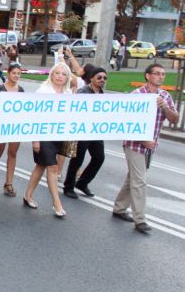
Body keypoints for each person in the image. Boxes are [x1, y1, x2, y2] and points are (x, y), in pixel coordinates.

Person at [113, 64, 179, 234]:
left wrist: (164, 106)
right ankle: (140, 220)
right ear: (148, 76)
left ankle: (119, 208)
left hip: (151, 146)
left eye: (163, 74)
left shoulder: (165, 96)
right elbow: (127, 122)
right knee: (140, 181)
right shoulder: (136, 95)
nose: (161, 77)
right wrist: (142, 139)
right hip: (134, 144)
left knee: (133, 177)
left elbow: (174, 120)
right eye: (157, 73)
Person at [22, 62, 72, 218]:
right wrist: (35, 139)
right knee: (53, 168)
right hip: (44, 136)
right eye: (57, 73)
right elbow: (34, 116)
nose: (60, 76)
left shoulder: (68, 93)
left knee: (41, 166)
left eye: (64, 74)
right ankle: (57, 204)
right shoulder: (43, 91)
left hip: (60, 135)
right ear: (51, 74)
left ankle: (27, 195)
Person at [63, 66, 108, 200]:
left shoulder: (101, 93)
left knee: (99, 157)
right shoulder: (84, 92)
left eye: (105, 78)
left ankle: (82, 183)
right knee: (77, 159)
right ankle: (68, 187)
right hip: (82, 131)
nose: (102, 80)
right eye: (99, 77)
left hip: (95, 131)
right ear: (91, 78)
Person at [0, 62, 24, 196]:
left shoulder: (21, 90)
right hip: (1, 126)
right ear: (8, 73)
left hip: (14, 127)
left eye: (18, 73)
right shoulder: (1, 89)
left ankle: (8, 183)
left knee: (12, 153)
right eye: (14, 73)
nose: (16, 76)